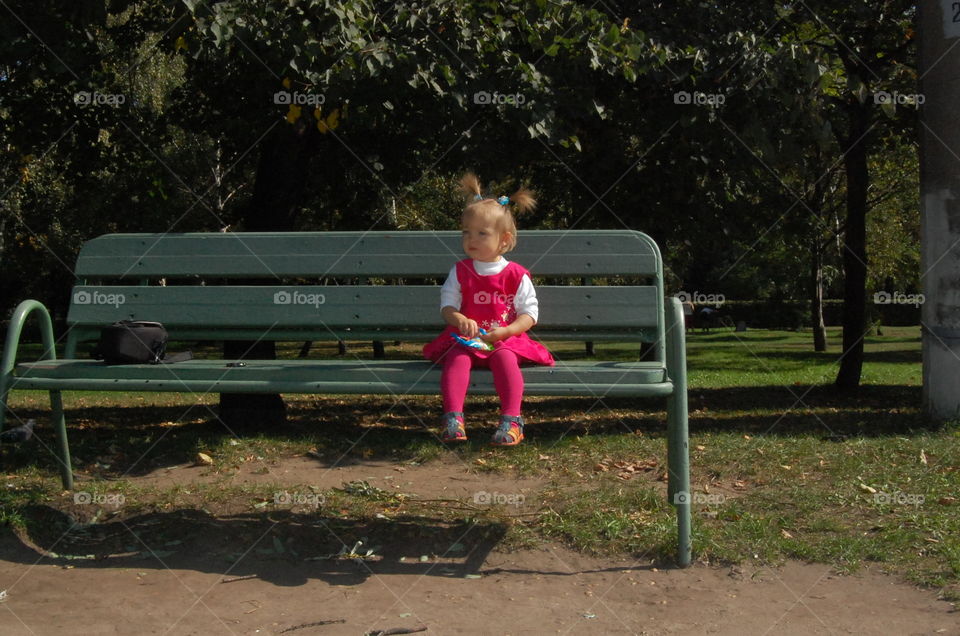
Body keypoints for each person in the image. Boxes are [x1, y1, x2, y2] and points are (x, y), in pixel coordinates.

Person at [422, 173, 554, 446]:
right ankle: (453, 419)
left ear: (504, 240)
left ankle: (511, 420)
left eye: (482, 233)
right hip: (466, 339)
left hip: (503, 338)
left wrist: (506, 330)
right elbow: (447, 305)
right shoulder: (460, 271)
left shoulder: (516, 274)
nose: (471, 239)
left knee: (505, 360)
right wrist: (458, 319)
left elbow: (530, 314)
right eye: (466, 232)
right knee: (456, 359)